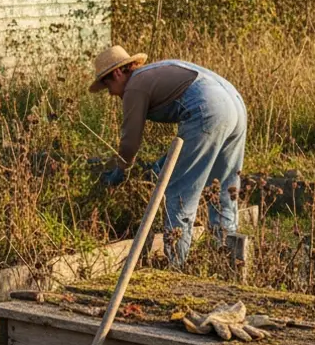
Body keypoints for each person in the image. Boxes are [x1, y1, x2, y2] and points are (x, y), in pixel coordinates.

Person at [89, 45, 247, 266]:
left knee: (179, 191)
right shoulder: (153, 72)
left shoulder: (134, 86)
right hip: (235, 107)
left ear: (117, 73)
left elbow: (130, 142)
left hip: (209, 110)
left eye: (108, 87)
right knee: (223, 188)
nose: (112, 94)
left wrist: (120, 171)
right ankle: (228, 261)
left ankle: (177, 265)